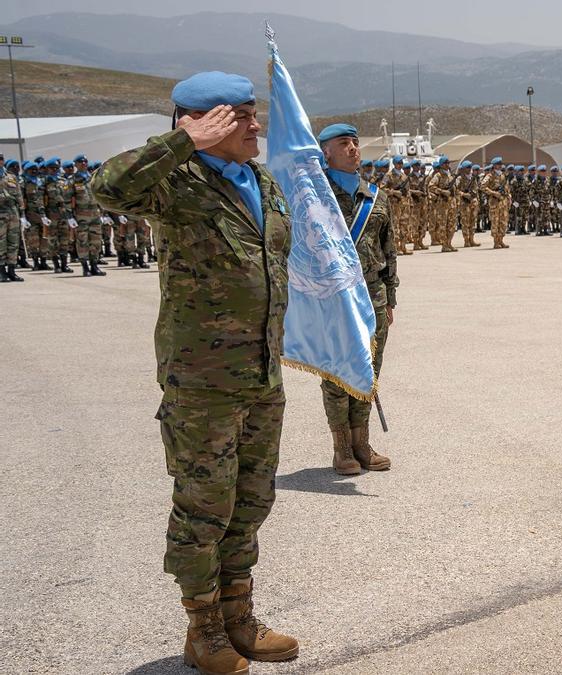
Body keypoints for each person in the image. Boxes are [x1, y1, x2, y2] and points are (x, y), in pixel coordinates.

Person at [92, 71, 300, 673]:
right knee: (203, 505)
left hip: (262, 374)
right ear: (204, 121)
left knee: (251, 500)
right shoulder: (174, 183)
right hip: (202, 379)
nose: (255, 125)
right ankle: (202, 627)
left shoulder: (260, 180)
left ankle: (239, 615)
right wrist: (183, 142)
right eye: (241, 116)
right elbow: (106, 188)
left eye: (253, 113)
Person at [316, 123, 397, 476]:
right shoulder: (316, 197)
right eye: (342, 143)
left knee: (368, 371)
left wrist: (391, 298)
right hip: (334, 300)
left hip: (373, 297)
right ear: (326, 152)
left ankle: (363, 443)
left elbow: (388, 251)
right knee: (337, 373)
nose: (352, 148)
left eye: (354, 142)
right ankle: (342, 448)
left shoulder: (377, 197)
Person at [68, 154, 107, 277]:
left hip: (95, 214)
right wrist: (69, 216)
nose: (83, 163)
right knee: (82, 241)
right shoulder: (72, 180)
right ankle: (85, 267)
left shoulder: (94, 178)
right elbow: (67, 199)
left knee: (96, 241)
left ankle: (94, 265)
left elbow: (100, 196)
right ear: (76, 165)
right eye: (80, 162)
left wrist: (103, 213)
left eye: (85, 161)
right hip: (81, 216)